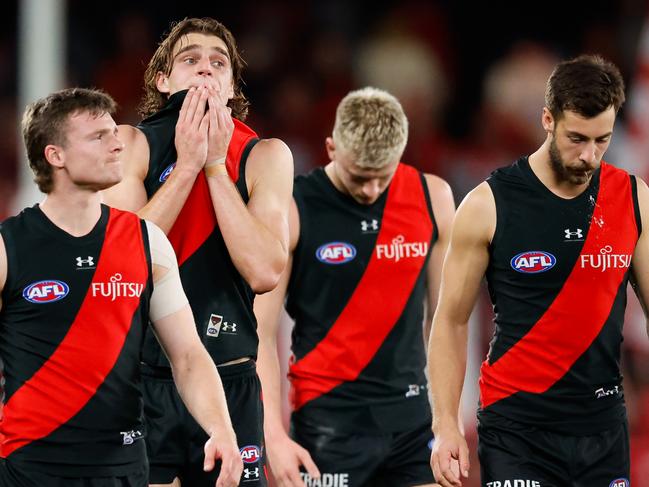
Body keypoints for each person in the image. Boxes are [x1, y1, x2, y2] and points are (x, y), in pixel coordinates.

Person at [0, 87, 242, 487]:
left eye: (115, 133)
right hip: (31, 470)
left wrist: (222, 429)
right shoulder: (9, 246)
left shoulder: (147, 241)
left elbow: (188, 355)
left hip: (123, 468)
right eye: (99, 137)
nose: (117, 145)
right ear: (54, 155)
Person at [428, 54, 649, 487]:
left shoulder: (633, 198)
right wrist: (445, 423)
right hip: (517, 429)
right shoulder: (488, 204)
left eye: (601, 140)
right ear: (547, 118)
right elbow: (451, 321)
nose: (589, 155)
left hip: (602, 429)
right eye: (576, 138)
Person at [101, 17, 293, 487]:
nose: (205, 69)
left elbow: (265, 270)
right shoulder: (131, 143)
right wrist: (185, 167)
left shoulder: (264, 155)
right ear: (163, 81)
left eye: (218, 62)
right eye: (190, 60)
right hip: (145, 381)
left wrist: (213, 167)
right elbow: (121, 260)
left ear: (230, 87)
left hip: (232, 382)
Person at [255, 87, 455, 487]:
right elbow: (260, 333)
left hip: (412, 422)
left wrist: (447, 419)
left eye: (382, 177)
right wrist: (273, 436)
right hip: (326, 423)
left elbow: (446, 319)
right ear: (331, 147)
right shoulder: (294, 207)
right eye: (359, 177)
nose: (370, 191)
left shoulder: (434, 197)